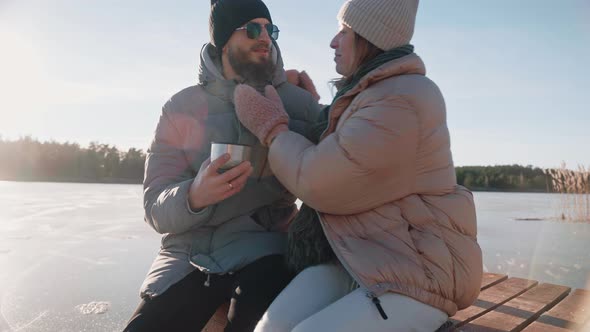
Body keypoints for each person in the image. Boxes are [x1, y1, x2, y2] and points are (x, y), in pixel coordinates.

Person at [232, 0, 483, 331]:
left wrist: (272, 127)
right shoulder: (373, 92)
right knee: (268, 328)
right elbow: (355, 145)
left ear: (369, 37)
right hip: (360, 257)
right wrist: (317, 112)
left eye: (343, 31)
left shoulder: (402, 98)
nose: (333, 42)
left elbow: (321, 181)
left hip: (416, 274)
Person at [123, 0, 321, 331]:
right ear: (224, 40)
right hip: (188, 254)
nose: (265, 39)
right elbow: (153, 204)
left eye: (270, 30)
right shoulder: (180, 107)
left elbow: (345, 157)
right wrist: (194, 195)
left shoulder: (298, 104)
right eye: (253, 29)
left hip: (264, 247)